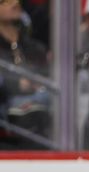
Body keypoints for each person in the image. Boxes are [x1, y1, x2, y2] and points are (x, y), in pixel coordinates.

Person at [0, 0, 50, 149]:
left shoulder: (36, 48)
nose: (14, 3)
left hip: (42, 127)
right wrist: (17, 85)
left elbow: (49, 76)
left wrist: (39, 82)